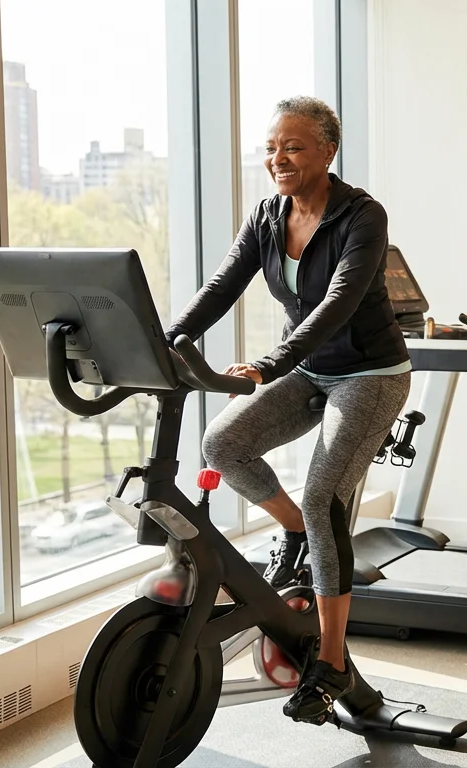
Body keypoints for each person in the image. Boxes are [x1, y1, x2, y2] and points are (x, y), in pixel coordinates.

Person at [164, 95, 411, 724]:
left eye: (293, 147)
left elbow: (338, 303)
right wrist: (170, 338)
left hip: (370, 375)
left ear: (328, 151)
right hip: (311, 369)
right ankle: (297, 530)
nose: (278, 158)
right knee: (222, 446)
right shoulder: (268, 217)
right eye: (271, 147)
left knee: (324, 494)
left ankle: (329, 660)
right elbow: (223, 285)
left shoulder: (362, 216)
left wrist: (268, 364)